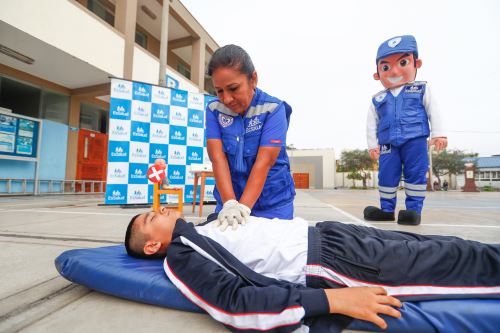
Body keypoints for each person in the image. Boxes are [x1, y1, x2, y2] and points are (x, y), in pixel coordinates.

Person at [124, 207, 500, 333]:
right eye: (153, 218)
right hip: (336, 265)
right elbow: (236, 305)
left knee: (451, 246)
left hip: (330, 234)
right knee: (456, 264)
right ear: (154, 245)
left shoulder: (205, 226)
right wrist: (331, 300)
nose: (162, 211)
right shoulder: (182, 257)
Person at [205, 44, 295, 231]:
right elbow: (217, 158)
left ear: (253, 79)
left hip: (273, 203)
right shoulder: (214, 110)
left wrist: (243, 208)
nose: (227, 99)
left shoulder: (273, 109)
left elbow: (265, 162)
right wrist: (230, 204)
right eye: (219, 91)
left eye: (233, 88)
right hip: (229, 201)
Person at [365, 35, 448, 226]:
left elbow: (433, 110)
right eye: (386, 67)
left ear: (416, 63)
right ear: (377, 74)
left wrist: (439, 133)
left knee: (415, 174)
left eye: (403, 62)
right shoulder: (377, 99)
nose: (394, 71)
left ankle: (413, 211)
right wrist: (372, 146)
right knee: (386, 175)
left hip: (415, 140)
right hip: (387, 144)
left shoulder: (421, 89)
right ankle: (386, 210)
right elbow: (371, 124)